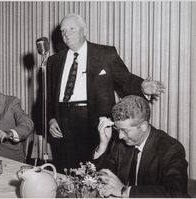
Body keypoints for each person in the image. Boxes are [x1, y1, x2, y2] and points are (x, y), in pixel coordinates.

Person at [46, 13, 165, 172]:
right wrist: (52, 118)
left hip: (94, 120)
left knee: (94, 170)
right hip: (63, 120)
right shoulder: (54, 61)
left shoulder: (105, 54)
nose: (67, 33)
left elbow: (125, 79)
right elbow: (49, 96)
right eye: (63, 30)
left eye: (72, 29)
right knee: (67, 170)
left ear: (85, 30)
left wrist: (142, 86)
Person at [94, 95, 189, 198]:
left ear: (143, 126)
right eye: (118, 129)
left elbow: (177, 193)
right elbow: (103, 177)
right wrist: (103, 144)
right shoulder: (122, 144)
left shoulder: (170, 149)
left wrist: (125, 191)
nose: (120, 136)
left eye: (125, 131)